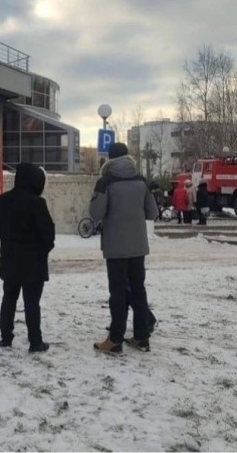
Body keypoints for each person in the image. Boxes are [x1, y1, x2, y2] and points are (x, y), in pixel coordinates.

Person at [90, 142, 159, 355]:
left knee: (117, 292)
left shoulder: (106, 182)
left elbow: (95, 213)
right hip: (138, 247)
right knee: (138, 290)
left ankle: (115, 340)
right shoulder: (141, 181)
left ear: (109, 159)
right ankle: (141, 337)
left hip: (116, 247)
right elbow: (153, 212)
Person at [0, 163, 55, 353]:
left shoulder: (3, 200)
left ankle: (6, 338)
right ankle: (35, 342)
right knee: (32, 303)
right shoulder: (37, 203)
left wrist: (9, 241)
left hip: (10, 259)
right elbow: (48, 233)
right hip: (33, 264)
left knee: (9, 299)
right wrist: (44, 248)